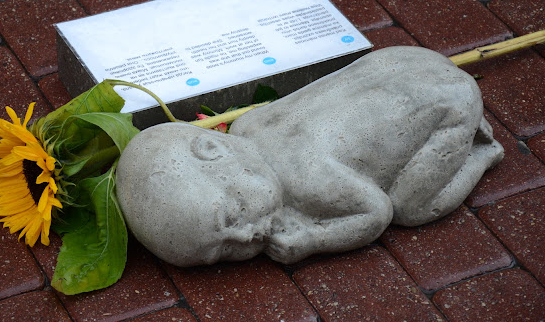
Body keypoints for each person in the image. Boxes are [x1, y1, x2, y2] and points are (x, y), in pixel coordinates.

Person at [116, 46, 504, 266]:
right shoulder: (247, 126)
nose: (245, 235)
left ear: (213, 149)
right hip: (405, 59)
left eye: (232, 215)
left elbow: (376, 213)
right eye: (223, 251)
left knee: (410, 208)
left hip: (451, 103)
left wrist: (315, 238)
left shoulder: (311, 182)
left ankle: (482, 151)